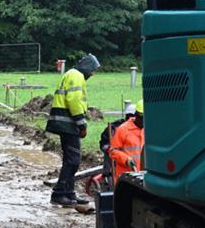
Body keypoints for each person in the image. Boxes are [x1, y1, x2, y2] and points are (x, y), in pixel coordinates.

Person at [45, 53, 100, 207]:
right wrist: (81, 123)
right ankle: (59, 194)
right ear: (87, 67)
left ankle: (69, 193)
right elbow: (73, 100)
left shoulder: (71, 74)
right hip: (68, 123)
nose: (92, 74)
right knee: (73, 161)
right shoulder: (77, 76)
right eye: (92, 70)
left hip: (65, 122)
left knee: (70, 160)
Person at [99, 103, 135, 189]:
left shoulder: (139, 128)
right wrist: (111, 150)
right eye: (130, 116)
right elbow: (103, 144)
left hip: (131, 168)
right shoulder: (114, 128)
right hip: (112, 168)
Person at [110, 100, 144, 180]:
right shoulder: (123, 129)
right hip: (126, 177)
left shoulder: (149, 129)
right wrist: (126, 159)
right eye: (143, 118)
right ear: (136, 115)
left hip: (142, 176)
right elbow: (112, 151)